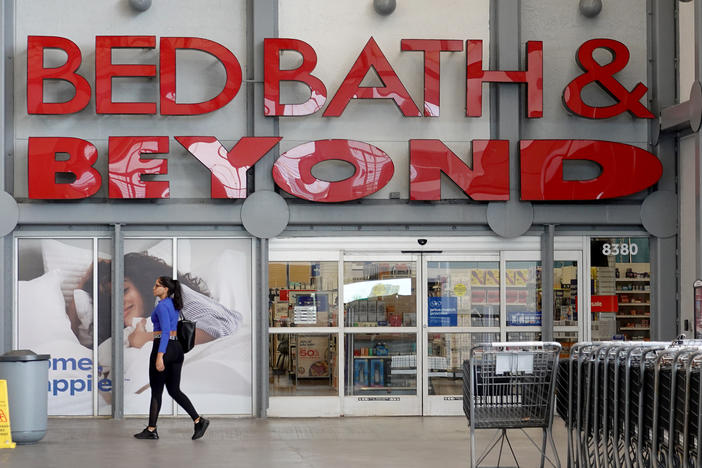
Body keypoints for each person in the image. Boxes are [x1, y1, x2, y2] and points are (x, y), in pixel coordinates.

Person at [133, 276, 210, 440]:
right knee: (174, 390)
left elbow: (166, 331)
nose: (154, 288)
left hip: (163, 347)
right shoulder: (174, 305)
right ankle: (198, 420)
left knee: (156, 391)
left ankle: (151, 429)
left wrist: (160, 356)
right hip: (177, 350)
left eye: (157, 285)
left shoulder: (162, 306)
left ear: (166, 289)